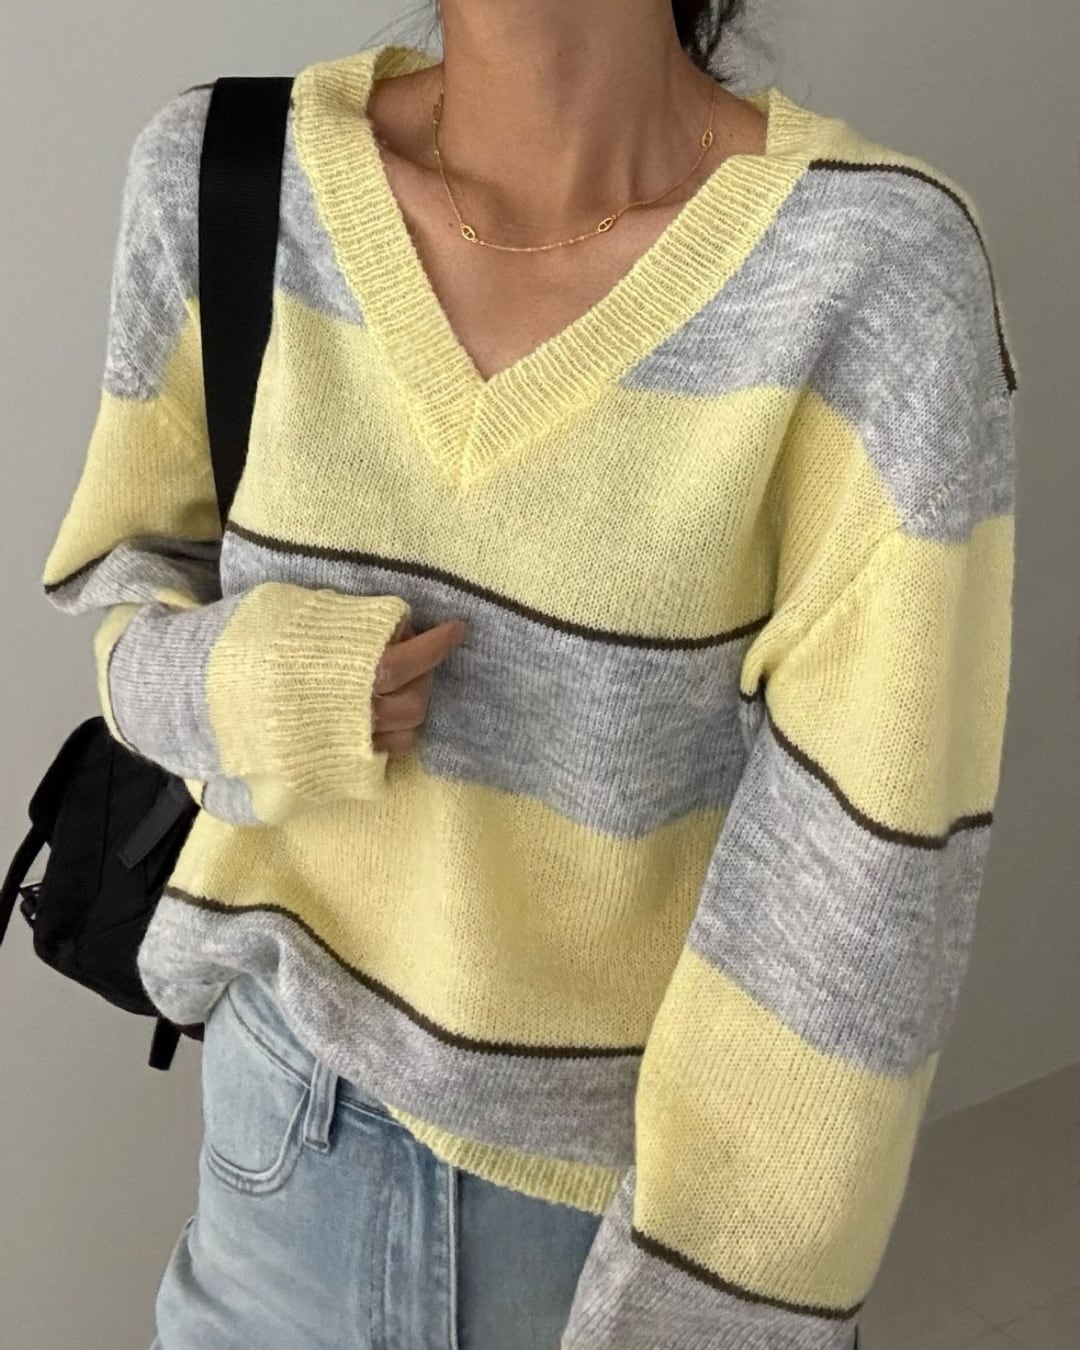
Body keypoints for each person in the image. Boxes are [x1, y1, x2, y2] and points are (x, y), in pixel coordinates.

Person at [39, 0, 1017, 1346]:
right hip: (278, 1161)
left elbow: (864, 907)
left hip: (615, 1225)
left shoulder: (876, 275)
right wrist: (255, 686)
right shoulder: (224, 175)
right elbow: (122, 600)